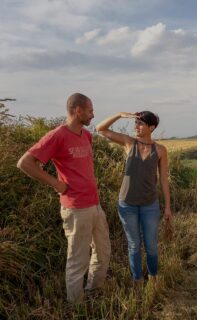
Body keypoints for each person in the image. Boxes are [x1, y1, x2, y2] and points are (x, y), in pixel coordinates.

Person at [17, 93, 111, 303]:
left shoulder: (86, 136)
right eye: (90, 110)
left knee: (103, 253)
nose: (93, 114)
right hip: (76, 208)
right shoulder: (57, 135)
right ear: (78, 111)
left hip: (94, 205)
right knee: (78, 260)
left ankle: (93, 292)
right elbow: (25, 163)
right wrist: (55, 183)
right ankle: (76, 306)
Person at [95, 111, 172, 286]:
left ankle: (153, 278)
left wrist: (167, 207)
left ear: (151, 128)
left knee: (151, 245)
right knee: (134, 245)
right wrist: (118, 115)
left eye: (140, 124)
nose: (135, 127)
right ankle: (137, 280)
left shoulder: (160, 150)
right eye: (135, 123)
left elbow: (164, 180)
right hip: (127, 205)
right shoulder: (129, 143)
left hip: (150, 205)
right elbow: (100, 128)